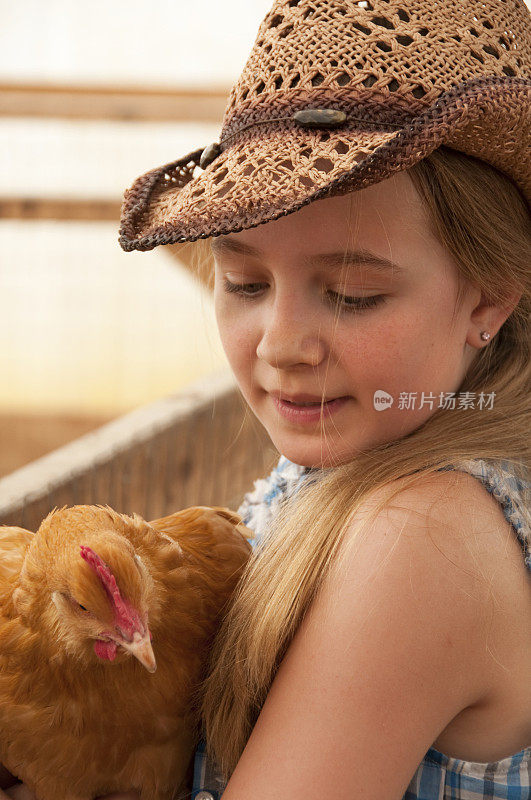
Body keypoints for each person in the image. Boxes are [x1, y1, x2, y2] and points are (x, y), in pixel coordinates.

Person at [2, 0, 529, 798]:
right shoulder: (382, 464)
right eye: (241, 281)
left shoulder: (420, 539)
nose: (280, 343)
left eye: (351, 294)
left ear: (489, 298)